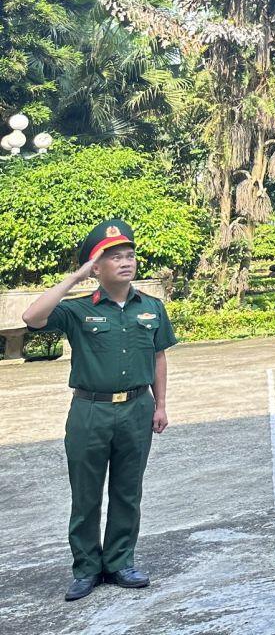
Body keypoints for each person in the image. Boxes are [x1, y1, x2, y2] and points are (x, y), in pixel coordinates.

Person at [23, 220, 175, 602]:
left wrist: (161, 404)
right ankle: (87, 568)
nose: (126, 263)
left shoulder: (151, 308)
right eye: (115, 258)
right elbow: (32, 318)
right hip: (90, 411)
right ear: (98, 267)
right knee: (86, 494)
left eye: (130, 256)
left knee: (128, 491)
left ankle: (120, 561)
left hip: (137, 409)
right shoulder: (76, 311)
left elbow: (158, 357)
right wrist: (76, 277)